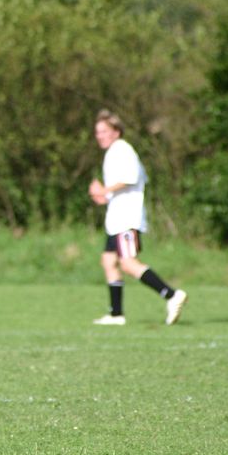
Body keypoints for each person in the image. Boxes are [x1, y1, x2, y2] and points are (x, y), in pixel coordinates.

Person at [89, 109, 187, 326]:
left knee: (128, 263)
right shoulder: (113, 152)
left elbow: (130, 178)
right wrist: (104, 196)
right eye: (97, 132)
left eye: (104, 131)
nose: (99, 136)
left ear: (116, 132)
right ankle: (116, 314)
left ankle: (171, 295)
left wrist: (104, 190)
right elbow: (123, 186)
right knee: (108, 261)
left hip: (126, 218)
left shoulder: (122, 150)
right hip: (115, 220)